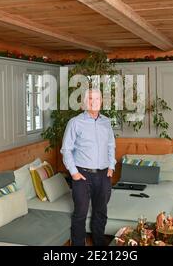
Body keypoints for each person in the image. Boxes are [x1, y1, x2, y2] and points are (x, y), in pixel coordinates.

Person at [60, 88, 116, 246]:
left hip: (104, 175)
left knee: (101, 212)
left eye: (97, 99)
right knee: (80, 214)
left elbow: (111, 145)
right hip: (82, 175)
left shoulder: (106, 122)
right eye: (91, 99)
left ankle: (99, 244)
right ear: (85, 102)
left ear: (102, 102)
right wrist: (74, 173)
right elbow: (66, 149)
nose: (94, 102)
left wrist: (111, 167)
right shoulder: (75, 122)